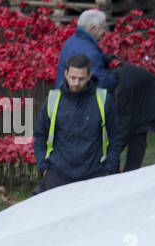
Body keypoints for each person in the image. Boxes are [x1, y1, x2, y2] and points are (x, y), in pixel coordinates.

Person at [34, 53, 124, 192]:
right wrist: (44, 169)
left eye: (81, 79)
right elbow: (40, 135)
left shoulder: (104, 100)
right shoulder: (52, 100)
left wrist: (109, 169)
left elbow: (115, 137)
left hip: (95, 175)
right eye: (73, 78)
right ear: (65, 74)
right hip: (57, 176)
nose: (76, 83)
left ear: (89, 76)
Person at [114, 64, 155, 171]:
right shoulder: (113, 82)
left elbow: (124, 123)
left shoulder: (122, 89)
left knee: (138, 135)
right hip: (139, 94)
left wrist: (114, 151)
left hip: (150, 97)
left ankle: (131, 175)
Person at [56, 9, 119, 92]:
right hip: (77, 102)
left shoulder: (72, 40)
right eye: (103, 27)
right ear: (92, 28)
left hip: (64, 97)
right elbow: (102, 83)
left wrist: (105, 58)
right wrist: (117, 75)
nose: (104, 32)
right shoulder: (90, 52)